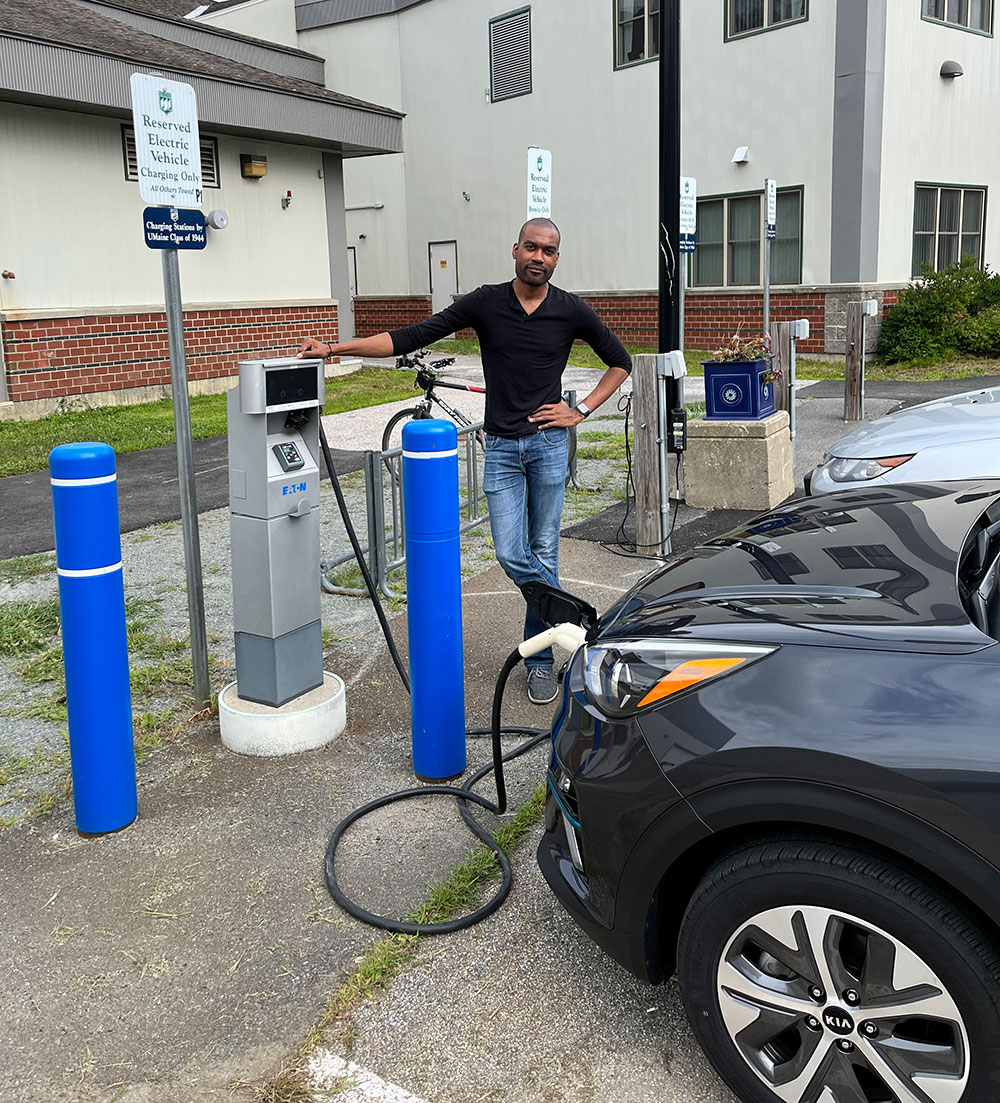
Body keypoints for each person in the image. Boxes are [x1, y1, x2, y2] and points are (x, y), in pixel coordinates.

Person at [298, 218, 631, 704]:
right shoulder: (485, 302)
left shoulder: (570, 310)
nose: (540, 257)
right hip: (500, 448)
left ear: (558, 258)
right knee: (510, 553)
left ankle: (541, 659)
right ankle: (576, 624)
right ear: (515, 249)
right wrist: (334, 348)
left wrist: (579, 410)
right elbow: (411, 335)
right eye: (532, 248)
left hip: (548, 447)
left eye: (550, 251)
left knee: (545, 551)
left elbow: (620, 360)